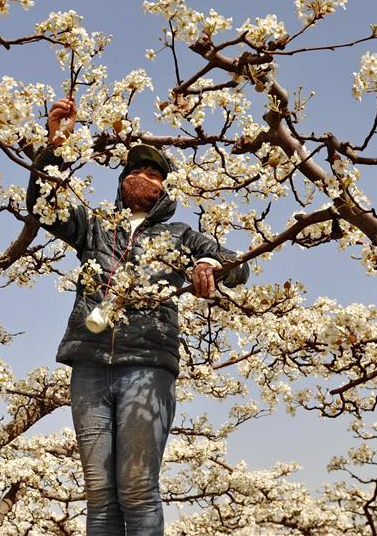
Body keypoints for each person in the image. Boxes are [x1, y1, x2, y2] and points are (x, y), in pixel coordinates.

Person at [25, 97, 250, 536]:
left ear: (164, 189)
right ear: (122, 182)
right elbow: (43, 204)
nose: (142, 177)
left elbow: (236, 265)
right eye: (134, 171)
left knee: (137, 488)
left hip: (147, 365)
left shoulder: (180, 234)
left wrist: (211, 265)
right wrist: (54, 147)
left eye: (153, 174)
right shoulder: (95, 227)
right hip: (89, 365)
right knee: (98, 494)